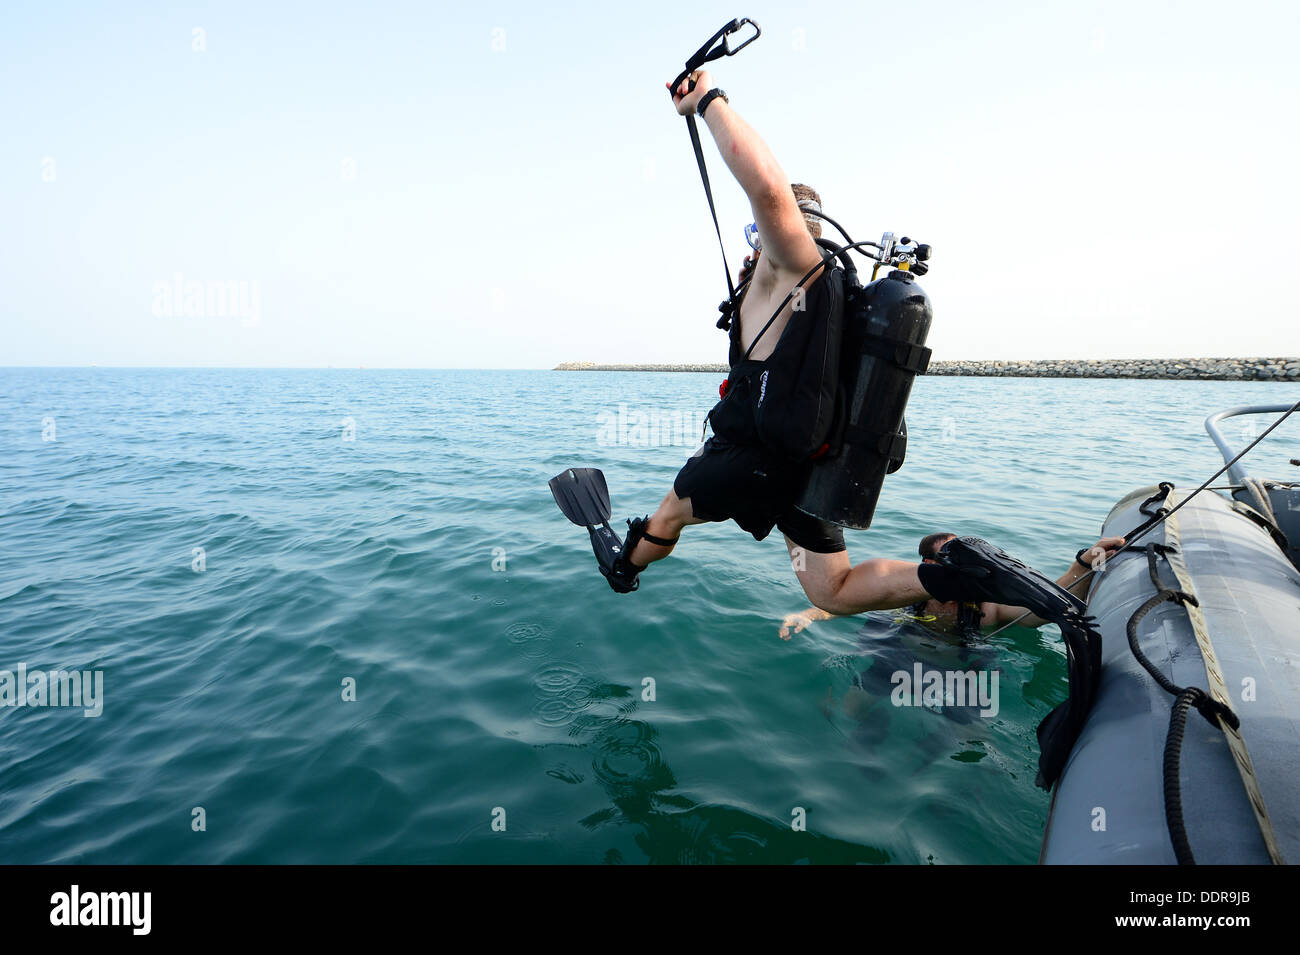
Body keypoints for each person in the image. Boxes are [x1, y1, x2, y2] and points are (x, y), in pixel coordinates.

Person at [552, 70, 1093, 635]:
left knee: (668, 516)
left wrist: (708, 103)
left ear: (774, 231)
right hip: (808, 467)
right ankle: (956, 576)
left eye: (762, 231)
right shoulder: (841, 294)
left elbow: (765, 189)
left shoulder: (787, 269)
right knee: (831, 591)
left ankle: (622, 568)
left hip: (751, 459)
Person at [779, 534, 1125, 640]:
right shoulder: (907, 597)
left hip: (964, 668)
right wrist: (807, 615)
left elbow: (1040, 611)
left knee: (969, 736)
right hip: (897, 654)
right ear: (926, 569)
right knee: (855, 709)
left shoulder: (986, 608)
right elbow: (849, 602)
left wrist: (1083, 565)